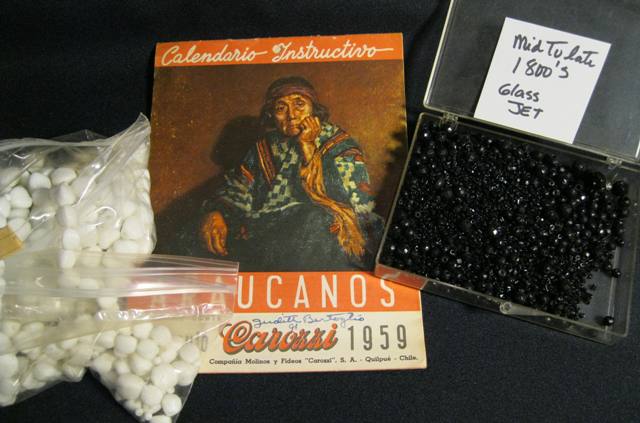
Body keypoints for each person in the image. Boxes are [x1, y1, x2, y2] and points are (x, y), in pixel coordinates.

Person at [201, 76, 382, 271]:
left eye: (299, 104)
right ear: (271, 115)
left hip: (326, 228)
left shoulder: (339, 143)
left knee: (312, 221)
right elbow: (241, 186)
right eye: (281, 108)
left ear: (313, 109)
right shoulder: (264, 147)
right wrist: (219, 211)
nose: (292, 115)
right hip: (270, 225)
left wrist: (308, 148)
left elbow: (352, 201)